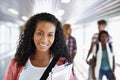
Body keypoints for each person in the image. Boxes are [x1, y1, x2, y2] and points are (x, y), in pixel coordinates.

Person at [4, 13, 71, 80]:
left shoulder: (63, 63)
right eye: (39, 33)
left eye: (50, 35)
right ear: (32, 34)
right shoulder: (16, 63)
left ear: (55, 37)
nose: (44, 40)